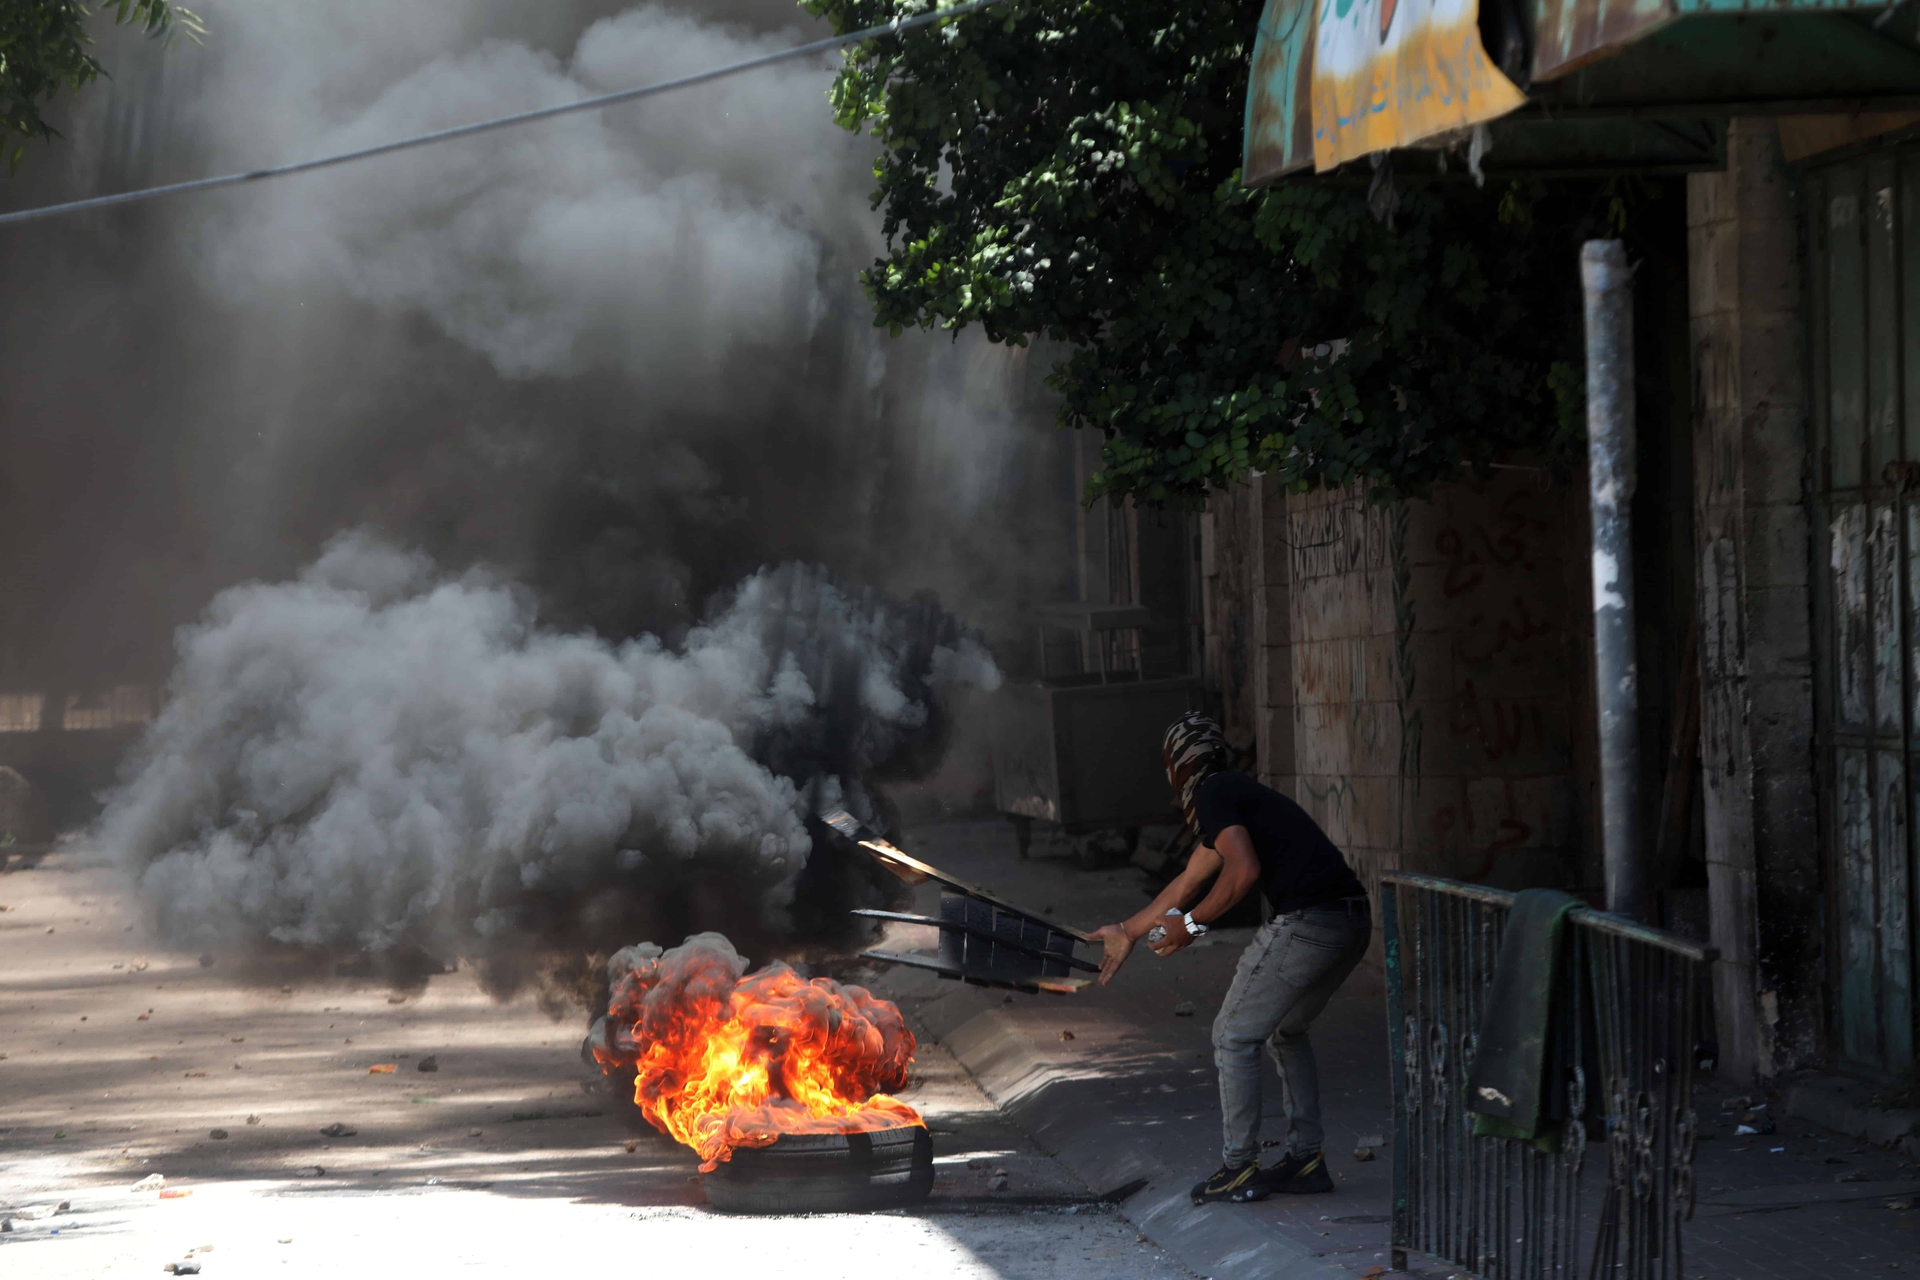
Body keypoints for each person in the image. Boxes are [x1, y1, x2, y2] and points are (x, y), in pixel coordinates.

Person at [1090, 712, 1372, 1206]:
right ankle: (1306, 1160)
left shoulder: (1214, 793)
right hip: (1350, 920)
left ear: (1179, 766)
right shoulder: (1234, 796)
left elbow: (1243, 871)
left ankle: (1239, 1167)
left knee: (1232, 1035)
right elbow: (1188, 881)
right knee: (1286, 1030)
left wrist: (1193, 924)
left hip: (1311, 921)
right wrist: (1128, 932)